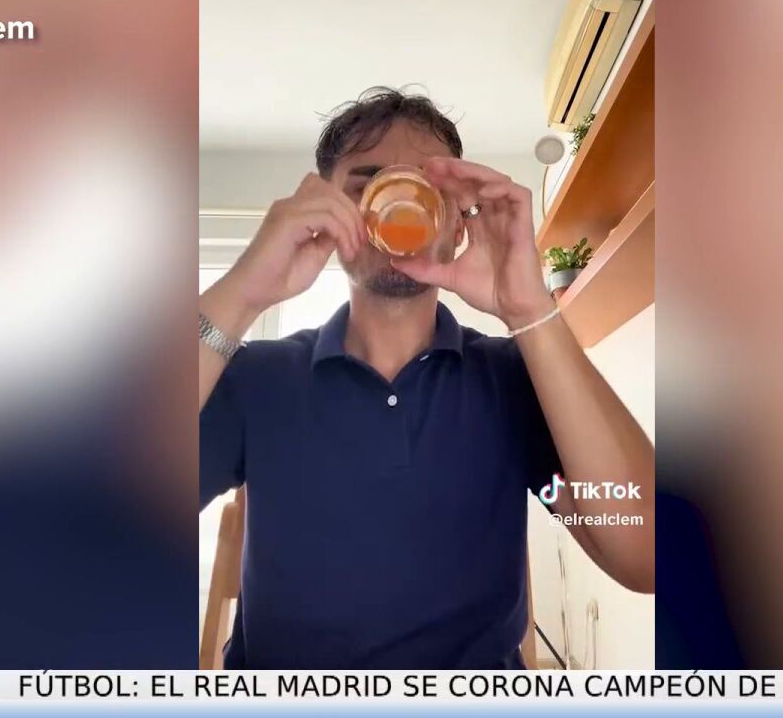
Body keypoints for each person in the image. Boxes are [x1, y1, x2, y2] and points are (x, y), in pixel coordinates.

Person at [198, 88, 655, 669]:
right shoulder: (259, 377)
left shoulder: (515, 379)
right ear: (325, 215)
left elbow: (647, 551)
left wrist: (529, 311)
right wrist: (242, 291)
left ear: (456, 223)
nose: (397, 201)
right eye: (366, 186)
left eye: (426, 186)